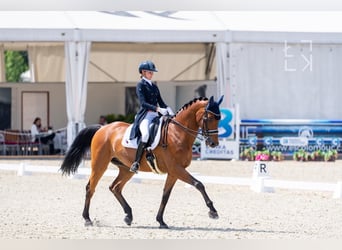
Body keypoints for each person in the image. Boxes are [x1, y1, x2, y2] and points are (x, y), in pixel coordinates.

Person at [129, 60, 174, 174]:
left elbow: (161, 101)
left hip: (156, 115)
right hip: (146, 115)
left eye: (152, 72)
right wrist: (158, 109)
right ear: (143, 72)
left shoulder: (154, 86)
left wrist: (168, 109)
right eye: (150, 72)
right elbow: (143, 103)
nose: (152, 74)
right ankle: (136, 162)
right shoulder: (140, 85)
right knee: (145, 134)